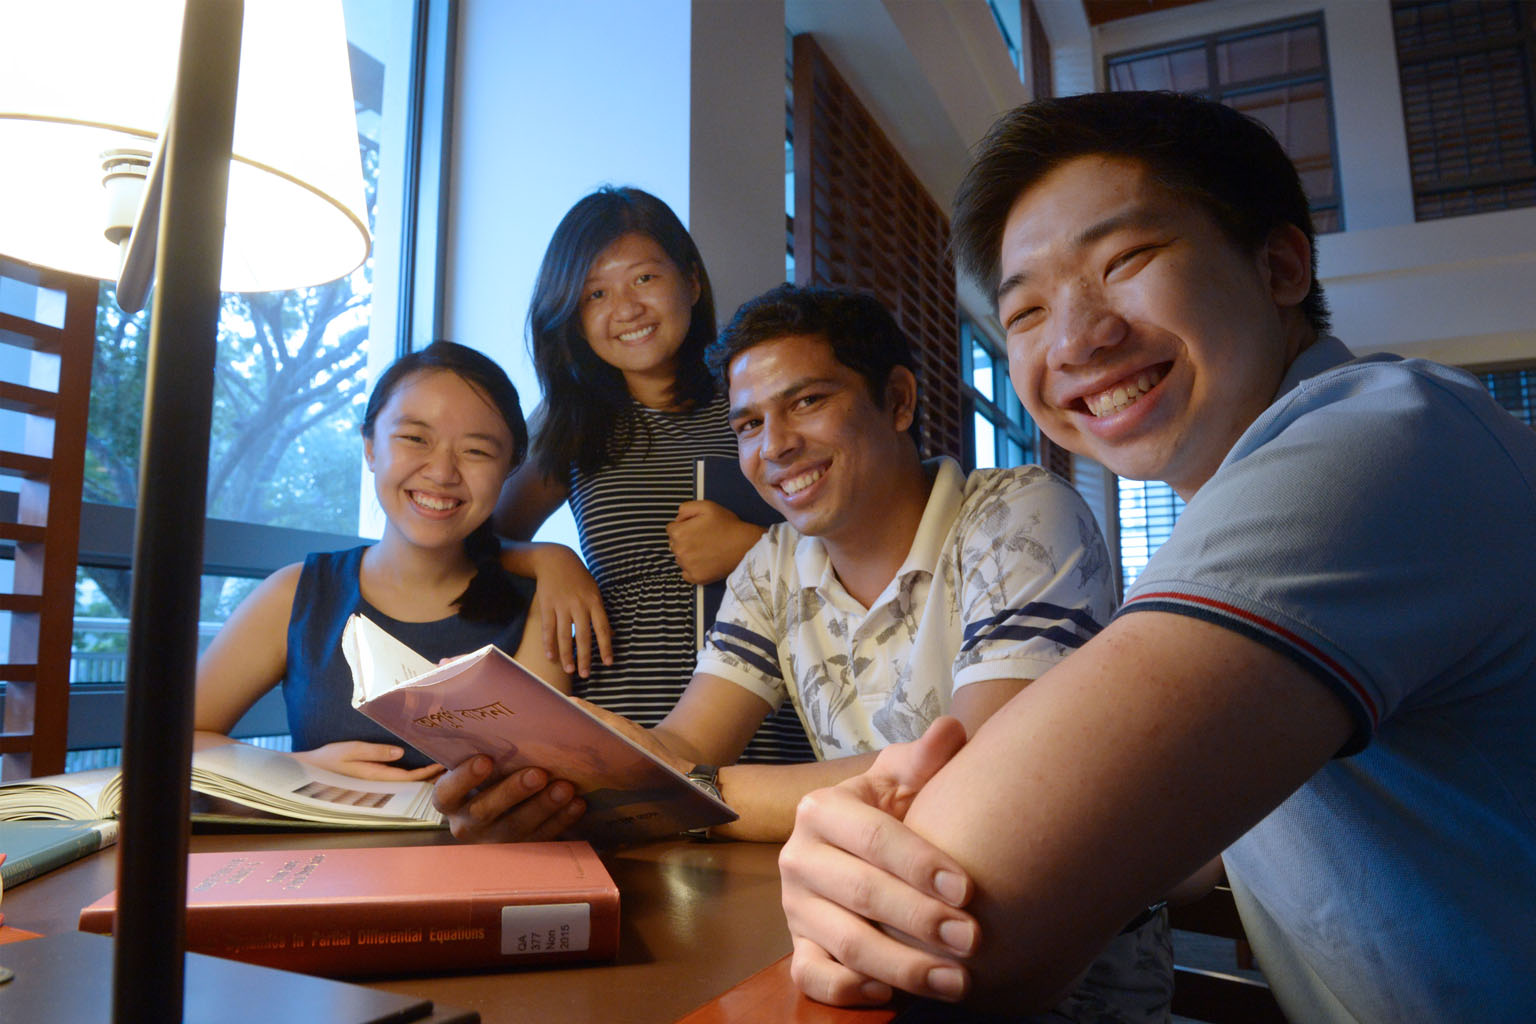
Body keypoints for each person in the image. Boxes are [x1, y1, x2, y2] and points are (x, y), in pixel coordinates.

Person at [777, 90, 1536, 1022]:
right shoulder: (1234, 508)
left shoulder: (1375, 443)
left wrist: (911, 854)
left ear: (1280, 264)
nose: (1076, 339)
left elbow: (964, 916)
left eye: (1126, 260)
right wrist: (900, 831)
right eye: (1024, 313)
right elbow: (1212, 843)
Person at [438, 283, 1174, 1022]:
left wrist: (686, 790)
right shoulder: (776, 562)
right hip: (863, 949)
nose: (775, 446)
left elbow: (978, 776)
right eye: (749, 422)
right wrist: (569, 778)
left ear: (896, 400)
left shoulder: (1022, 514)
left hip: (1049, 976)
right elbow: (687, 740)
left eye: (807, 402)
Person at [194, 342, 577, 841]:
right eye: (415, 438)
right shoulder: (297, 594)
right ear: (371, 447)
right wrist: (299, 772)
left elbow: (537, 785)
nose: (442, 472)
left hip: (478, 883)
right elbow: (173, 741)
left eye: (477, 450)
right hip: (320, 881)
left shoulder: (540, 604)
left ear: (510, 469)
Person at [491, 186, 814, 770]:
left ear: (690, 281)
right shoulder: (571, 421)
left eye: (643, 279)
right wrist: (550, 561)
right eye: (595, 293)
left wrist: (755, 548)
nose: (626, 308)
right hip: (621, 717)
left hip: (771, 719)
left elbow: (863, 537)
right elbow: (480, 545)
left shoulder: (753, 399)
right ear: (572, 314)